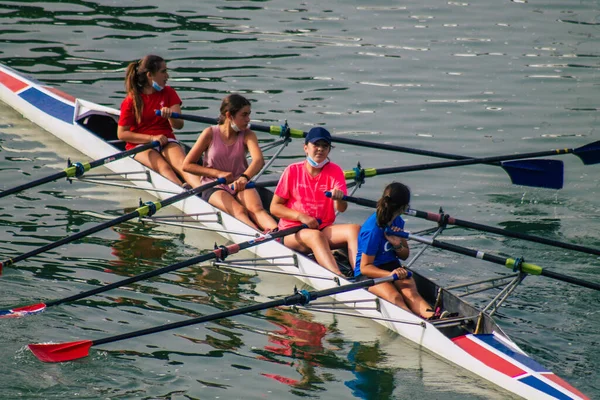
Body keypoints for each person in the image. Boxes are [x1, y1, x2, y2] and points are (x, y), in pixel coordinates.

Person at [270, 127, 360, 275]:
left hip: (322, 228)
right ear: (306, 148)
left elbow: (342, 208)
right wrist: (301, 217)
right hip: (292, 232)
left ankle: (360, 274)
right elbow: (274, 207)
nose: (320, 149)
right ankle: (337, 277)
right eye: (315, 145)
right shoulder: (293, 170)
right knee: (315, 236)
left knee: (354, 229)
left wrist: (339, 199)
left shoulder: (335, 171)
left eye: (325, 146)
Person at [182, 94, 277, 232]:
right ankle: (258, 236)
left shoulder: (248, 134)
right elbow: (187, 165)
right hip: (213, 184)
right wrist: (218, 173)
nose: (248, 119)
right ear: (229, 115)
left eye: (248, 114)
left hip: (240, 182)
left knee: (257, 209)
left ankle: (277, 235)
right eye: (244, 115)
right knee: (239, 211)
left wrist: (244, 177)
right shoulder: (209, 133)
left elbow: (258, 160)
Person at [355, 182, 441, 320]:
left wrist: (397, 244)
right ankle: (413, 321)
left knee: (411, 293)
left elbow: (405, 255)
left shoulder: (398, 221)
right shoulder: (373, 230)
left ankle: (434, 318)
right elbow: (365, 268)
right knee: (394, 297)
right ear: (404, 207)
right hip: (369, 273)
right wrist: (390, 274)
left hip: (391, 266)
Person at [117, 54, 202, 189]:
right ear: (150, 75)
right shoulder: (131, 100)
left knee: (183, 166)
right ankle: (181, 189)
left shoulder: (169, 93)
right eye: (163, 72)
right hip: (140, 145)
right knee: (164, 168)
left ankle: (204, 192)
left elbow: (179, 125)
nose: (167, 76)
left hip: (166, 140)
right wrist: (151, 138)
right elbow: (122, 134)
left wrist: (171, 116)